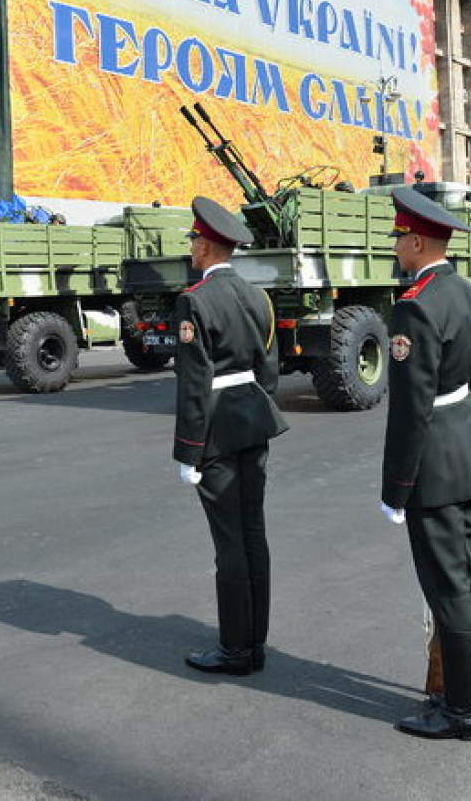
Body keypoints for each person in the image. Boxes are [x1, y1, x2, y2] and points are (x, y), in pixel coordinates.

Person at [380, 185, 471, 740]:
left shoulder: (416, 307)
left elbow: (409, 410)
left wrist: (396, 488)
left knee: (448, 588)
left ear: (419, 240)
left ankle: (464, 712)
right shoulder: (468, 294)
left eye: (400, 238)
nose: (396, 247)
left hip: (436, 468)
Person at [173, 196, 288, 676]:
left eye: (195, 240)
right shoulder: (257, 296)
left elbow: (195, 385)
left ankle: (236, 649)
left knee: (229, 543)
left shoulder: (195, 300)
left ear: (205, 246)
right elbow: (270, 370)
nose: (192, 247)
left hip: (217, 429)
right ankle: (253, 643)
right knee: (253, 533)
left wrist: (189, 451)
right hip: (251, 420)